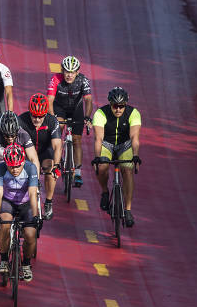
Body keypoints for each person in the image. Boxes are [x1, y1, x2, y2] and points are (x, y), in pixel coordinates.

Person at [0, 111, 39, 267]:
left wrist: (35, 179)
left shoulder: (23, 135)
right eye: (6, 136)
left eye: (12, 136)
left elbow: (33, 158)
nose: (10, 139)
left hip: (17, 165)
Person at [90, 87, 142, 227]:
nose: (118, 109)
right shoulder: (100, 113)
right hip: (107, 143)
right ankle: (105, 192)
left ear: (126, 104)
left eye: (121, 106)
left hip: (125, 144)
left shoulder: (133, 113)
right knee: (102, 167)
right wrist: (97, 157)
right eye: (115, 106)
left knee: (127, 170)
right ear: (109, 104)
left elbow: (134, 137)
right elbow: (98, 139)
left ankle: (128, 209)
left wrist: (136, 155)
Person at [0, 143, 41, 282]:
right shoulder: (0, 169)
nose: (14, 169)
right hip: (8, 202)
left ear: (23, 161)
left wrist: (36, 216)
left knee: (30, 234)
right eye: (11, 166)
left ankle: (26, 264)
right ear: (5, 163)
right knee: (4, 224)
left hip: (26, 203)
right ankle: (5, 260)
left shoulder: (31, 168)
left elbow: (32, 193)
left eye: (18, 165)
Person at [46, 55, 93, 187]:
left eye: (72, 72)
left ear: (77, 72)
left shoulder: (83, 80)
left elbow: (88, 100)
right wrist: (52, 116)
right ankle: (57, 156)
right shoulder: (55, 79)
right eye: (66, 71)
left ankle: (77, 172)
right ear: (62, 70)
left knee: (77, 139)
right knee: (58, 128)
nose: (69, 75)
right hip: (59, 108)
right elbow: (49, 100)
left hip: (76, 110)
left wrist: (87, 117)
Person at [18, 93, 62, 220]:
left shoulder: (52, 121)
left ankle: (48, 202)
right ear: (29, 112)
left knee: (50, 167)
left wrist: (57, 166)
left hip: (45, 150)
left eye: (40, 116)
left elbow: (57, 146)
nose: (37, 119)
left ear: (45, 114)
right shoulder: (21, 120)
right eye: (34, 116)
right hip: (27, 151)